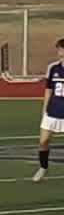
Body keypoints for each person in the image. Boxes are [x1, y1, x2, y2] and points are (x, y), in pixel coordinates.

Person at [35, 39, 64, 182]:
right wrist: (44, 109)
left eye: (62, 49)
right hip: (53, 111)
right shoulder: (53, 68)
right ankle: (43, 167)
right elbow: (48, 90)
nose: (60, 52)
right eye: (59, 49)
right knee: (43, 142)